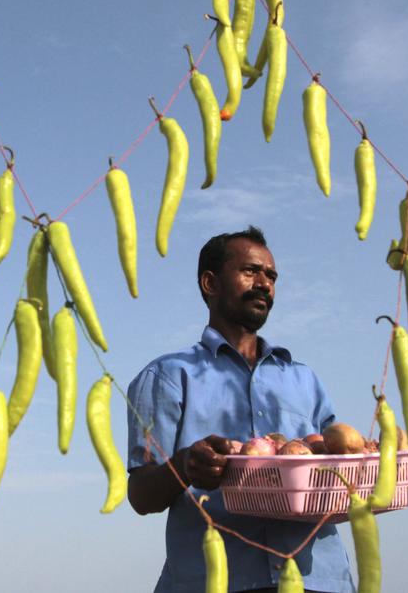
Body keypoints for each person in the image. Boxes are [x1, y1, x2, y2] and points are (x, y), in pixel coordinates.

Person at [125, 226, 355, 593]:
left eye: (272, 276)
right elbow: (140, 495)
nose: (264, 284)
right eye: (250, 271)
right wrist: (185, 464)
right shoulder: (168, 376)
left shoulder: (304, 379)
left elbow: (341, 465)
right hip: (215, 581)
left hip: (316, 579)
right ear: (210, 283)